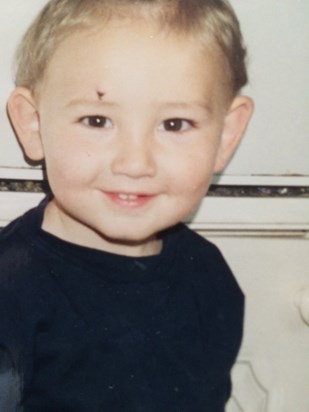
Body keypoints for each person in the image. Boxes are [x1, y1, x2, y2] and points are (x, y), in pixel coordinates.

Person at [0, 0, 254, 410]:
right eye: (97, 120)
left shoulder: (208, 276)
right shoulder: (10, 291)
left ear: (226, 136)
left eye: (175, 124)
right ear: (33, 125)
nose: (135, 163)